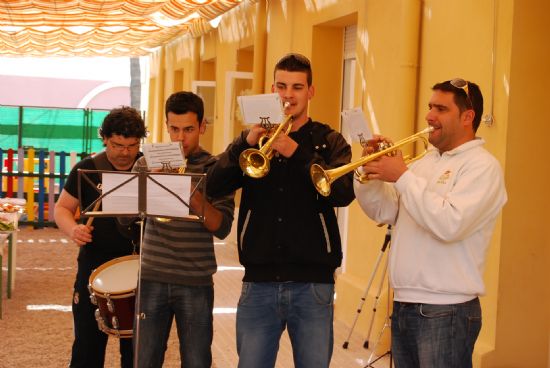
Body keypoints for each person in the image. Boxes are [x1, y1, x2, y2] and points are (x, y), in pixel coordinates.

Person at [206, 53, 355, 368]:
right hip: (258, 282)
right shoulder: (253, 142)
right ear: (273, 89)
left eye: (297, 87)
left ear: (310, 91)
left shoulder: (329, 141)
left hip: (313, 284)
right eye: (282, 86)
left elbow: (343, 192)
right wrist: (243, 143)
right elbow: (214, 185)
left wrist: (297, 153)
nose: (289, 95)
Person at [354, 79, 507, 368]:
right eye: (429, 107)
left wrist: (402, 176)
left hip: (447, 310)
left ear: (467, 117)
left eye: (440, 108)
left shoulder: (483, 167)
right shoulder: (424, 162)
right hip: (405, 305)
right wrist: (368, 172)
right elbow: (384, 211)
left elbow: (450, 224)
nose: (429, 116)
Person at [133, 91, 235, 368]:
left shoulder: (215, 169)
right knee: (144, 360)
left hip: (196, 280)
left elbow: (222, 228)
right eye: (174, 129)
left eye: (189, 129)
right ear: (166, 126)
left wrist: (189, 192)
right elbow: (124, 221)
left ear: (202, 127)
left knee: (196, 362)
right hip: (152, 275)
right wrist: (145, 185)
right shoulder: (145, 163)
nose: (180, 138)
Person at [54, 106, 147, 368]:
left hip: (139, 268)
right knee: (87, 347)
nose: (125, 152)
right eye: (117, 145)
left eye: (132, 145)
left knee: (137, 353)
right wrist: (73, 229)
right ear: (104, 137)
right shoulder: (87, 169)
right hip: (94, 267)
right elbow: (61, 209)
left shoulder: (148, 168)